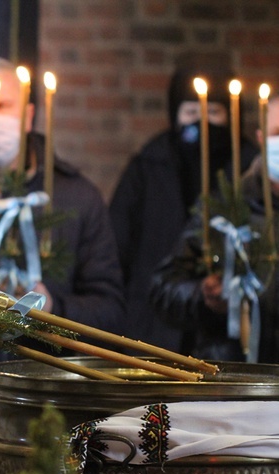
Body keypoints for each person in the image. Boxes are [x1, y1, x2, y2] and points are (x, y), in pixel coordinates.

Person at [0, 56, 124, 338]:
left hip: (45, 370)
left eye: (2, 106)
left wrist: (54, 308)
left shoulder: (77, 196)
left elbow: (110, 310)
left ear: (29, 115)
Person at [109, 66, 259, 353]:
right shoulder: (149, 165)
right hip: (153, 329)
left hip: (230, 341)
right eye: (191, 113)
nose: (202, 123)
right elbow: (118, 247)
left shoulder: (248, 170)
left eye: (213, 113)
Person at [150, 94, 279, 363]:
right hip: (234, 379)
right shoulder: (226, 206)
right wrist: (203, 295)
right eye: (277, 133)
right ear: (261, 138)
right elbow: (164, 290)